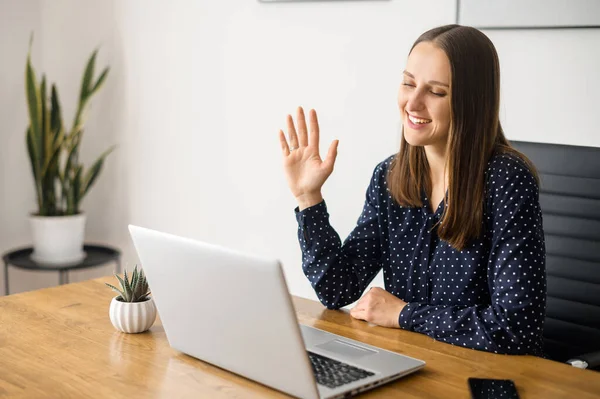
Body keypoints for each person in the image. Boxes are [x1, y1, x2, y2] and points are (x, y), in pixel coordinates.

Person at [278, 24, 547, 357]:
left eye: (436, 92)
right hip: (411, 366)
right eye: (408, 83)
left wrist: (403, 314)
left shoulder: (506, 179)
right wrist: (308, 199)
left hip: (480, 374)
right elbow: (336, 288)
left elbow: (516, 328)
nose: (413, 103)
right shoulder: (390, 175)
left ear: (471, 102)